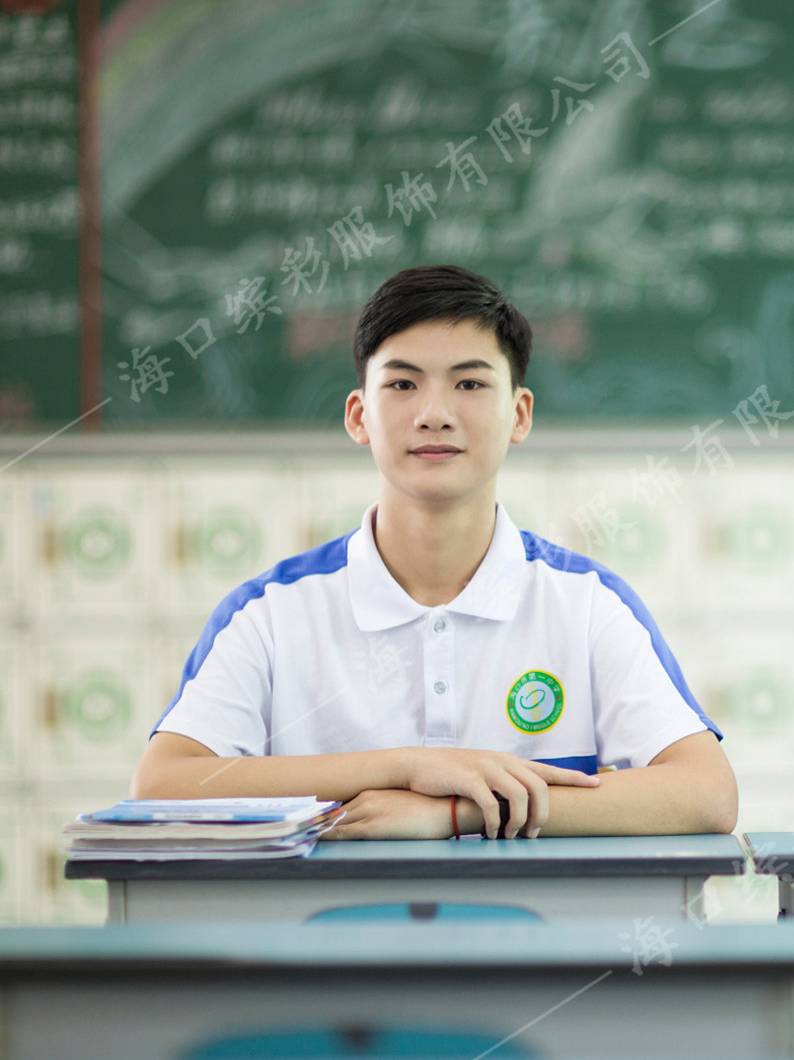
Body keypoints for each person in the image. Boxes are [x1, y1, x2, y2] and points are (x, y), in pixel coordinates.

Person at [133, 265, 738, 839]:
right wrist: (405, 767)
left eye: (470, 384)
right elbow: (163, 785)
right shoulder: (270, 612)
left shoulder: (585, 604)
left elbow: (706, 794)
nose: (434, 415)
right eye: (401, 384)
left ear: (520, 414)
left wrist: (455, 812)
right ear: (358, 416)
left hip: (537, 943)